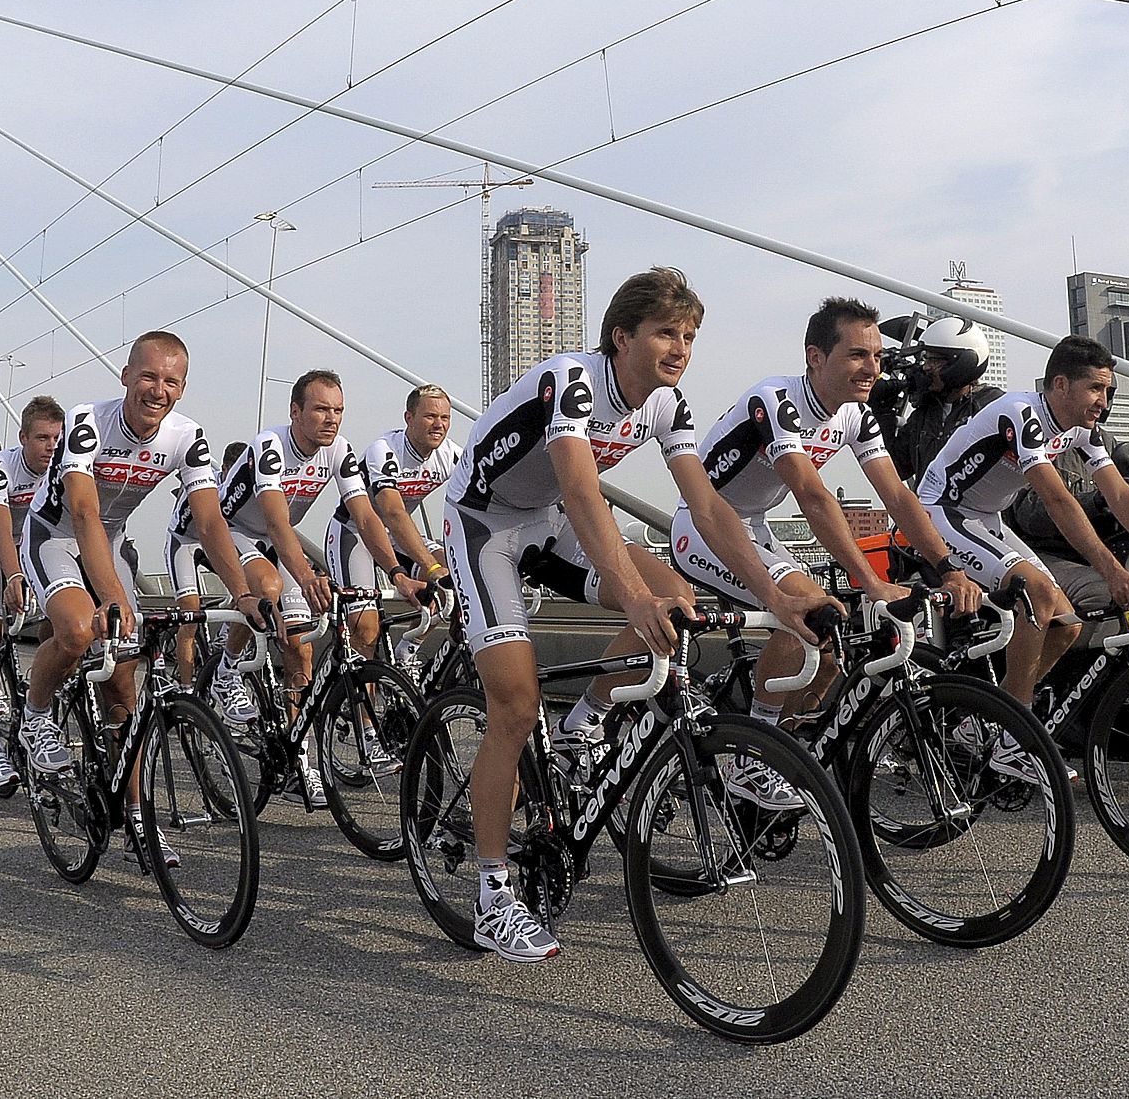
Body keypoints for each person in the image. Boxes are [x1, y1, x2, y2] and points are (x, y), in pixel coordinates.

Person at [446, 266, 841, 962]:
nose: (680, 348)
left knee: (677, 596)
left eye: (689, 336)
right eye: (666, 332)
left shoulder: (666, 405)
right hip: (485, 524)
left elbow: (710, 508)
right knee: (514, 704)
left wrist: (776, 597)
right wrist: (632, 595)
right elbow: (580, 489)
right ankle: (492, 895)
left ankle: (585, 720)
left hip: (547, 521)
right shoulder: (572, 380)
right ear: (621, 337)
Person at [17, 331, 271, 867]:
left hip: (110, 542)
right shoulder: (88, 422)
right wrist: (112, 597)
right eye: (149, 376)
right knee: (79, 629)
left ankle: (136, 817)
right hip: (55, 536)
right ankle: (35, 718)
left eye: (171, 381)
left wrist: (243, 592)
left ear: (183, 388)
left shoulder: (186, 436)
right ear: (126, 376)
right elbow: (83, 512)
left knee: (125, 690)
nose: (158, 390)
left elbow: (209, 522)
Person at [672, 297, 980, 722]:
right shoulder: (776, 400)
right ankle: (754, 746)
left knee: (832, 652)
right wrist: (872, 583)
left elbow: (897, 496)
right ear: (815, 357)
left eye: (877, 356)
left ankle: (793, 739)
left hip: (754, 527)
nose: (872, 369)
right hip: (702, 526)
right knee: (803, 612)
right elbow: (812, 496)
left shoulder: (857, 416)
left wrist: (949, 568)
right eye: (857, 355)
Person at [916, 335, 1129, 766]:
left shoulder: (1083, 431)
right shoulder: (1022, 414)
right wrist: (1113, 572)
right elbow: (1058, 501)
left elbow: (1119, 495)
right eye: (1095, 388)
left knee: (1066, 623)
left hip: (985, 516)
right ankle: (1014, 736)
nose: (1103, 401)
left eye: (1108, 390)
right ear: (1060, 385)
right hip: (943, 510)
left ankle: (985, 720)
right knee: (1037, 593)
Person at [190, 369, 425, 807]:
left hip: (275, 541)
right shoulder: (270, 446)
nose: (331, 418)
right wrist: (307, 576)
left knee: (301, 649)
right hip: (232, 533)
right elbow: (277, 522)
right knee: (268, 584)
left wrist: (396, 572)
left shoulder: (339, 450)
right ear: (295, 411)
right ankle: (226, 668)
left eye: (338, 410)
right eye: (320, 409)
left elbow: (366, 517)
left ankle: (298, 754)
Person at [0, 397, 64, 793]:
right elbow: (3, 531)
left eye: (56, 438)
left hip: (37, 541)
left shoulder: (65, 463)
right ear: (22, 438)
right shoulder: (1, 467)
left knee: (63, 622)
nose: (51, 447)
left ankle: (41, 705)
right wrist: (14, 576)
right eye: (42, 438)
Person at [324, 383, 459, 668]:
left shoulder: (450, 454)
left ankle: (405, 655)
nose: (439, 425)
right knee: (365, 629)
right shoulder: (384, 450)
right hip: (355, 533)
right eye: (430, 416)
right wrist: (431, 568)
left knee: (455, 579)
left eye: (445, 418)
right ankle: (361, 691)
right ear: (409, 418)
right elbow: (393, 512)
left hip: (395, 536)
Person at [164, 438, 260, 686]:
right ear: (225, 470)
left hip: (214, 541)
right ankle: (187, 689)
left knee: (251, 586)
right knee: (190, 617)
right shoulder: (209, 484)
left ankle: (226, 634)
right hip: (184, 541)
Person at [872, 314, 1003, 487]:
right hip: (928, 503)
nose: (926, 367)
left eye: (934, 360)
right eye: (926, 359)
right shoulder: (925, 414)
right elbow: (896, 469)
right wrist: (883, 412)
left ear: (963, 362)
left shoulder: (993, 406)